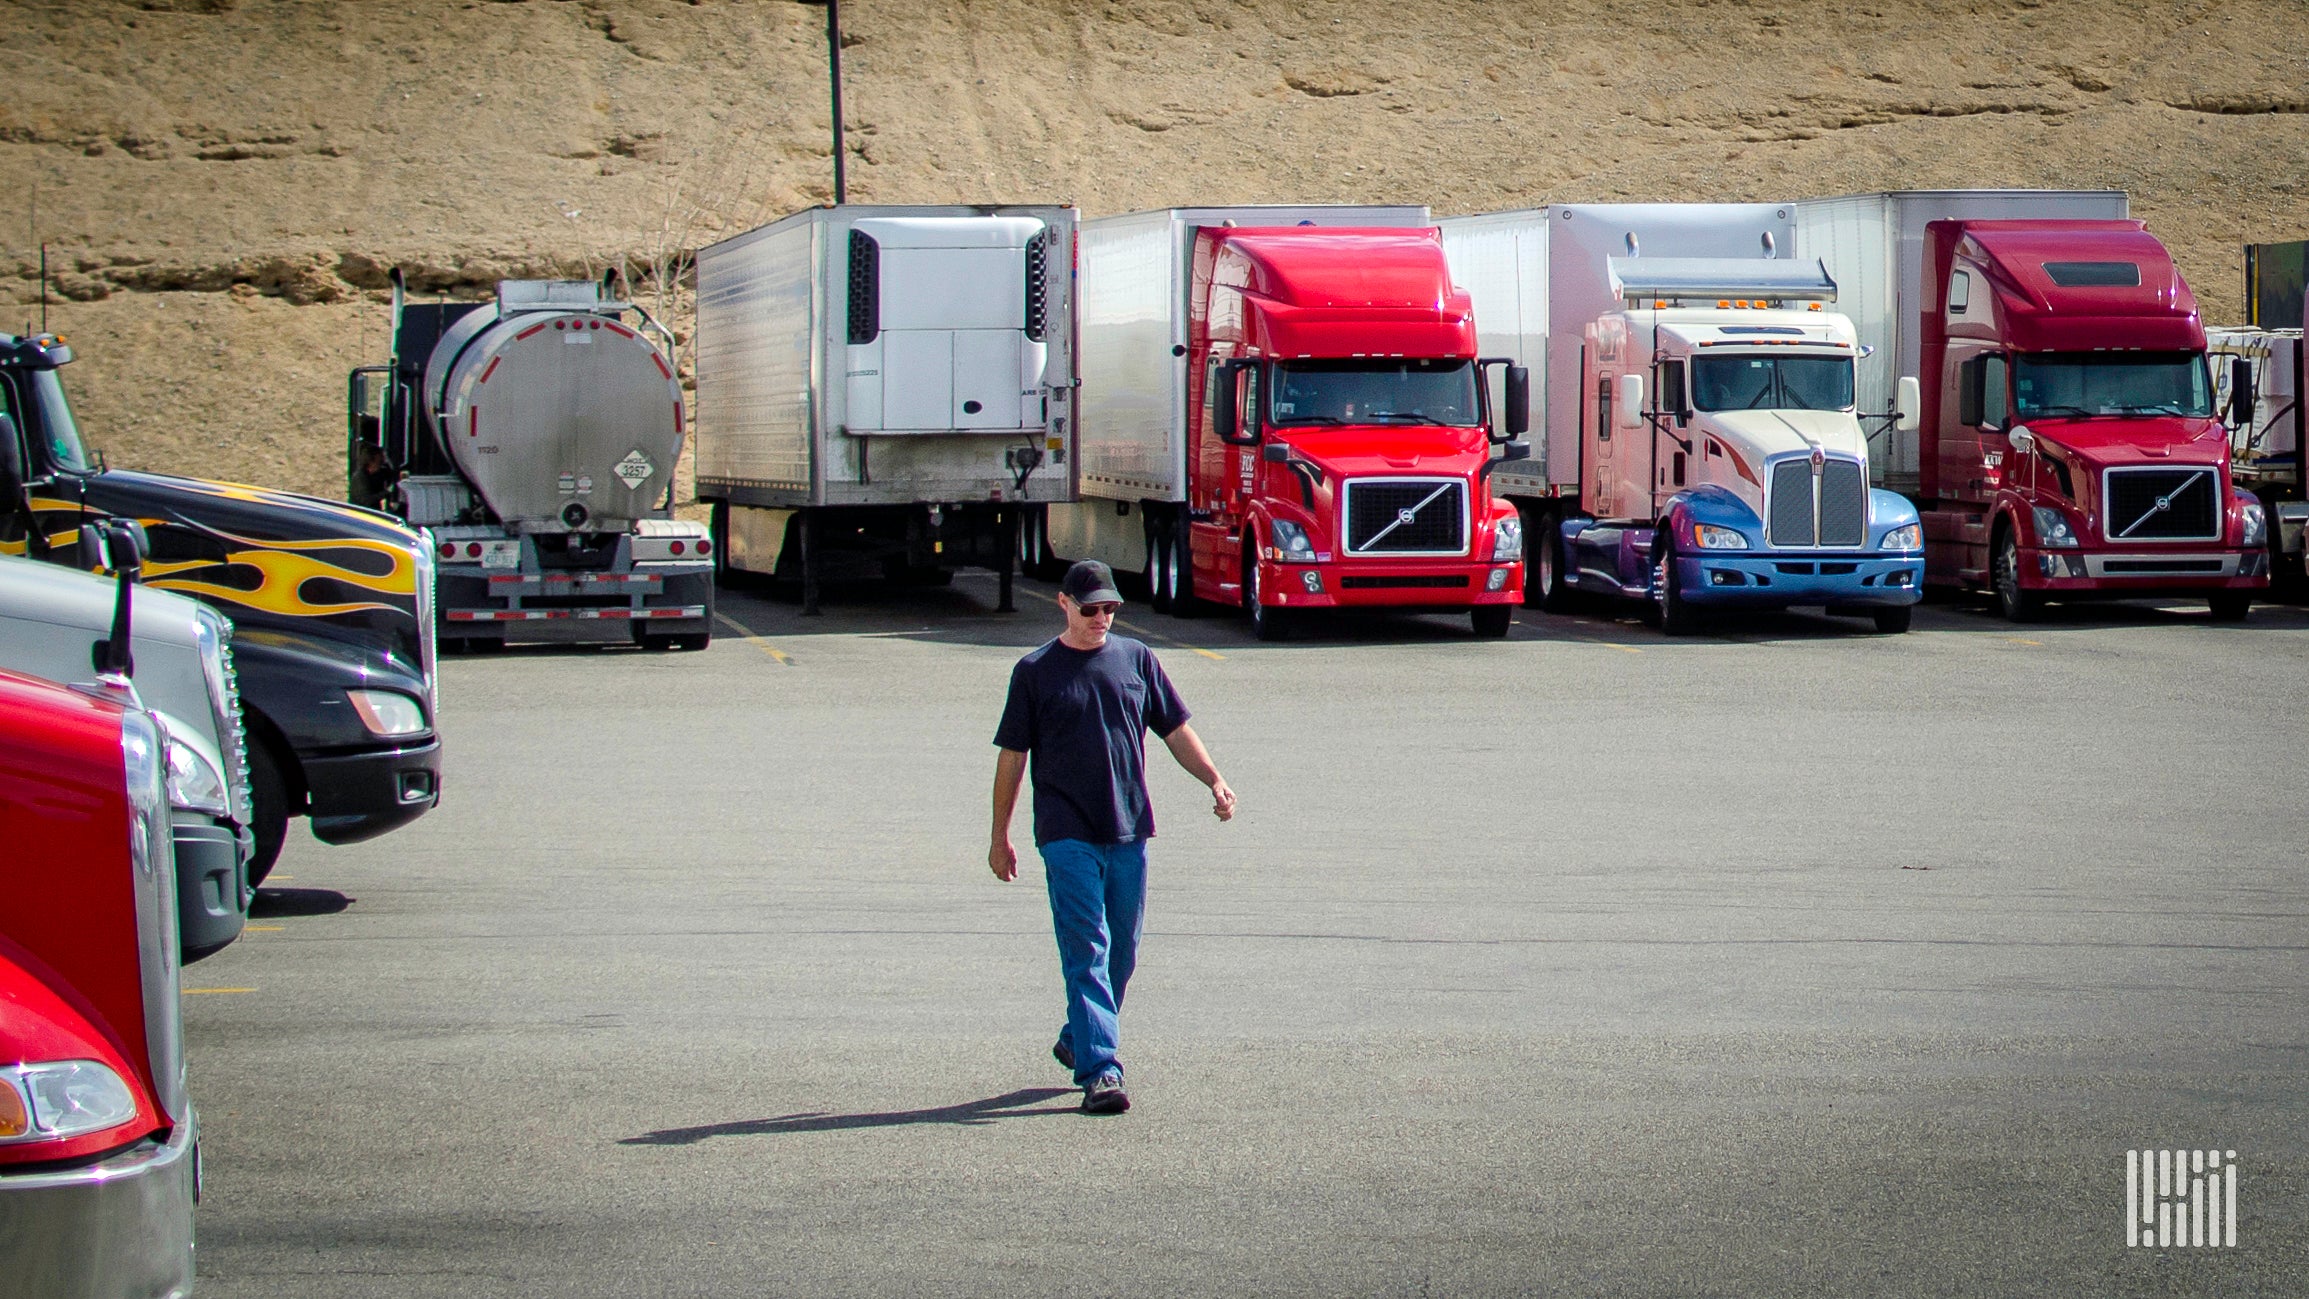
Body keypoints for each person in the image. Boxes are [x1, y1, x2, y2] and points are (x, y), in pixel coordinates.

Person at [990, 559, 1235, 1115]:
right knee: (1088, 949)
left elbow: (1174, 729)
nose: (1101, 618)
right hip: (1065, 833)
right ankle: (1101, 1068)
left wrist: (1215, 779)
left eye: (1110, 609)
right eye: (1090, 609)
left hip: (1129, 829)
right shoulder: (1035, 671)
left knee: (1120, 953)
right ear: (1064, 604)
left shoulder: (1137, 659)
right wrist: (999, 834)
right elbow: (1012, 757)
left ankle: (1078, 1035)